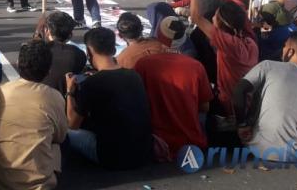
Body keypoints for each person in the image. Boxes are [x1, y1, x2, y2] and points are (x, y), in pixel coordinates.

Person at [0, 40, 67, 189]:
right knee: (55, 146)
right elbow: (60, 136)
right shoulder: (54, 97)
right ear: (48, 71)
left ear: (17, 64)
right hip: (39, 185)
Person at [65, 27, 152, 169]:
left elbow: (72, 124)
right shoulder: (134, 76)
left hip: (111, 156)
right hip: (143, 152)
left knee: (63, 132)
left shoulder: (91, 83)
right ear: (113, 49)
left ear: (89, 51)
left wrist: (70, 91)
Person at [232, 31, 297, 162]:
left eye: (285, 46)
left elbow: (239, 90)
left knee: (259, 89)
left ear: (290, 52)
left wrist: (242, 125)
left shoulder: (268, 65)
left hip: (261, 149)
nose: (283, 49)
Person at [191, 0, 258, 120]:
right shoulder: (250, 42)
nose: (213, 18)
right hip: (247, 102)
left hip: (229, 106)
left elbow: (195, 16)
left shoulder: (230, 44)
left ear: (222, 23)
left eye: (216, 16)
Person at [134, 41, 213, 157]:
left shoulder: (143, 64)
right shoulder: (196, 65)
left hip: (157, 145)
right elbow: (205, 107)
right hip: (192, 143)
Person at [38, 11, 87, 94]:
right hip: (66, 99)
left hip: (40, 97)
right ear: (70, 35)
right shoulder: (78, 54)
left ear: (48, 31)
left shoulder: (38, 51)